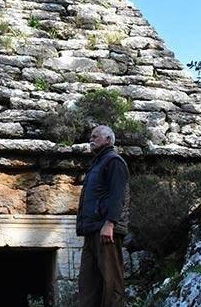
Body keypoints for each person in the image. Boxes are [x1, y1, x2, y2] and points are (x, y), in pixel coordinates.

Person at [76, 125, 130, 307]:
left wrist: (110, 223)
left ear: (108, 139)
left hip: (106, 230)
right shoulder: (97, 164)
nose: (91, 139)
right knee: (88, 284)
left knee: (111, 282)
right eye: (91, 136)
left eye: (95, 136)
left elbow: (118, 195)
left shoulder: (114, 161)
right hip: (92, 231)